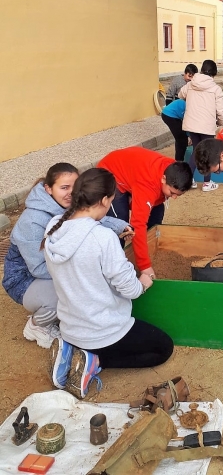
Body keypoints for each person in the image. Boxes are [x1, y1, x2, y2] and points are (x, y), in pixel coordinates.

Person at [44, 168, 174, 399]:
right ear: (104, 200)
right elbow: (130, 290)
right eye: (111, 200)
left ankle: (73, 351)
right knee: (163, 348)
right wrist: (143, 282)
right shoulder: (102, 238)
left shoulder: (54, 225)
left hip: (71, 328)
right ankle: (94, 360)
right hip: (103, 331)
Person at [2, 163, 132, 349]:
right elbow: (38, 268)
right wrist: (80, 276)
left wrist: (119, 226)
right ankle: (37, 326)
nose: (71, 193)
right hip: (25, 279)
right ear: (48, 189)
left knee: (81, 288)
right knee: (72, 292)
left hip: (53, 269)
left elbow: (90, 215)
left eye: (74, 186)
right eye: (64, 187)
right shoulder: (31, 221)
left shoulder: (68, 204)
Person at [97, 147, 192, 277]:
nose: (174, 197)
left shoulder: (173, 169)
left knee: (157, 211)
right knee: (121, 224)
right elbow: (138, 224)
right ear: (163, 179)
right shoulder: (148, 185)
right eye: (172, 193)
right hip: (110, 172)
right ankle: (115, 269)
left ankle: (148, 249)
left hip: (133, 172)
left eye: (178, 195)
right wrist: (145, 267)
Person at [178, 59, 223, 192]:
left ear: (202, 70)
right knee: (208, 152)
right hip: (207, 125)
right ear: (214, 73)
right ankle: (207, 183)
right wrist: (221, 123)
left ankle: (189, 180)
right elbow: (221, 110)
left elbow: (180, 94)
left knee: (196, 151)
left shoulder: (191, 84)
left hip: (192, 123)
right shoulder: (216, 89)